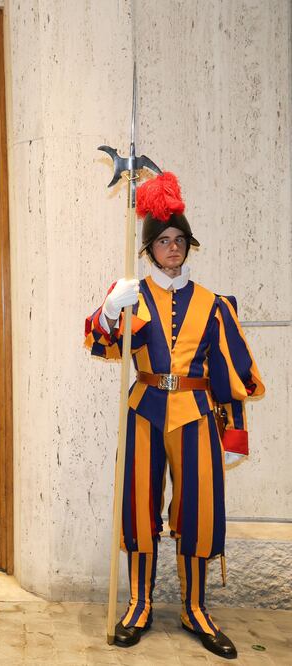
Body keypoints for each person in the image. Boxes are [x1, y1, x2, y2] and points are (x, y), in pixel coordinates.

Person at [85, 172, 264, 659]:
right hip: (144, 409)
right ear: (150, 249)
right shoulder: (132, 294)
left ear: (188, 246)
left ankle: (195, 609)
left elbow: (230, 372)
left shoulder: (213, 304)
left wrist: (234, 435)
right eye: (163, 241)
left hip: (197, 413)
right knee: (138, 506)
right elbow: (104, 344)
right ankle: (139, 604)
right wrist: (109, 312)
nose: (172, 248)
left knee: (199, 511)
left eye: (179, 240)